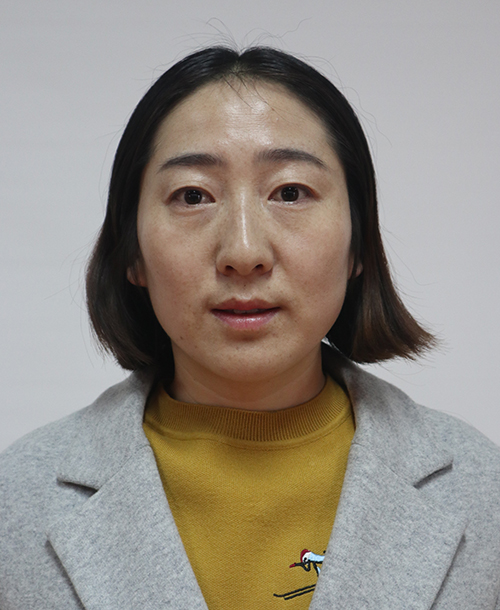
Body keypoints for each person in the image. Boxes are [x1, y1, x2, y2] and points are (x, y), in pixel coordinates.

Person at [1, 46, 499, 610]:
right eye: (193, 196)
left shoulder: (484, 493)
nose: (243, 252)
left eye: (290, 192)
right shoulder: (16, 500)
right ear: (132, 251)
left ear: (359, 242)